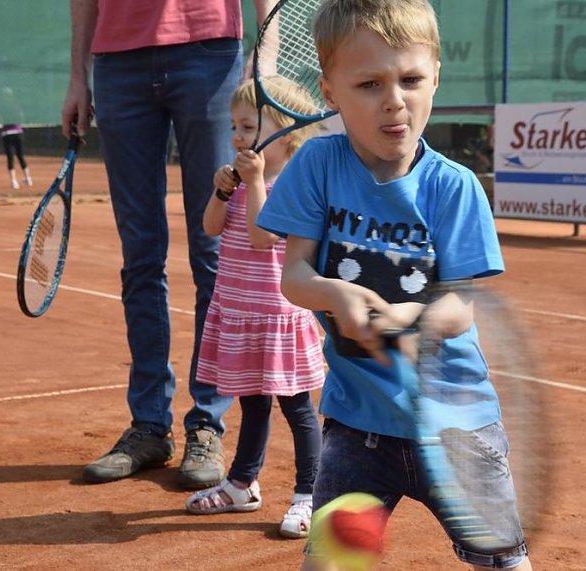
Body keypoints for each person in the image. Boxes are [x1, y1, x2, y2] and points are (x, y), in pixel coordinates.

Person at [255, 0, 534, 569]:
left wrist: (406, 316)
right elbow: (296, 276)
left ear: (436, 76)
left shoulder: (455, 187)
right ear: (330, 92)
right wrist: (337, 294)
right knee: (329, 562)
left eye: (410, 79)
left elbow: (459, 305)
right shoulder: (317, 166)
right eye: (368, 84)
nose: (394, 100)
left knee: (503, 562)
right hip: (358, 429)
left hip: (457, 427)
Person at [61, 0, 278, 490]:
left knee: (215, 251)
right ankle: (149, 426)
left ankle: (206, 423)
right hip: (117, 61)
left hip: (209, 52)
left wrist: (265, 56)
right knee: (140, 254)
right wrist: (79, 75)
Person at [183, 77, 326, 539]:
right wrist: (223, 191)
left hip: (279, 316)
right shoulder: (243, 180)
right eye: (234, 126)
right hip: (240, 312)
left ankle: (311, 495)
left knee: (298, 409)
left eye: (248, 126)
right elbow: (209, 227)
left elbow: (263, 235)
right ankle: (242, 484)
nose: (237, 136)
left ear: (285, 134)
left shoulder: (292, 185)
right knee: (253, 404)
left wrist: (255, 179)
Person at [2, 123, 32, 190]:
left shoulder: (4, 112)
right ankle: (28, 178)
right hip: (18, 133)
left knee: (10, 158)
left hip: (7, 134)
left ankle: (14, 181)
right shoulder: (17, 112)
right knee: (21, 156)